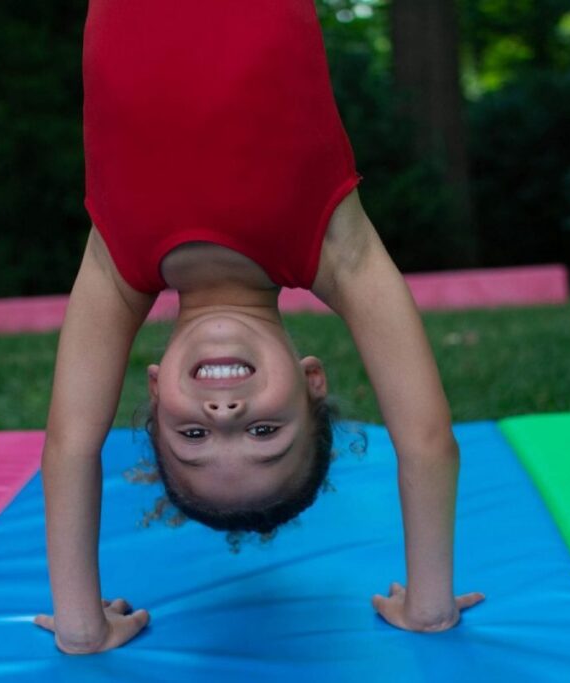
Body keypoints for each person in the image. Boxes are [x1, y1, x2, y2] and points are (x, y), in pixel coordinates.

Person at [33, 0, 485, 655]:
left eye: (194, 435)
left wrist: (82, 626)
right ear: (311, 381)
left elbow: (70, 444)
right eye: (265, 432)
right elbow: (426, 439)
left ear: (156, 393)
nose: (224, 413)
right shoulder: (337, 251)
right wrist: (429, 605)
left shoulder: (116, 267)